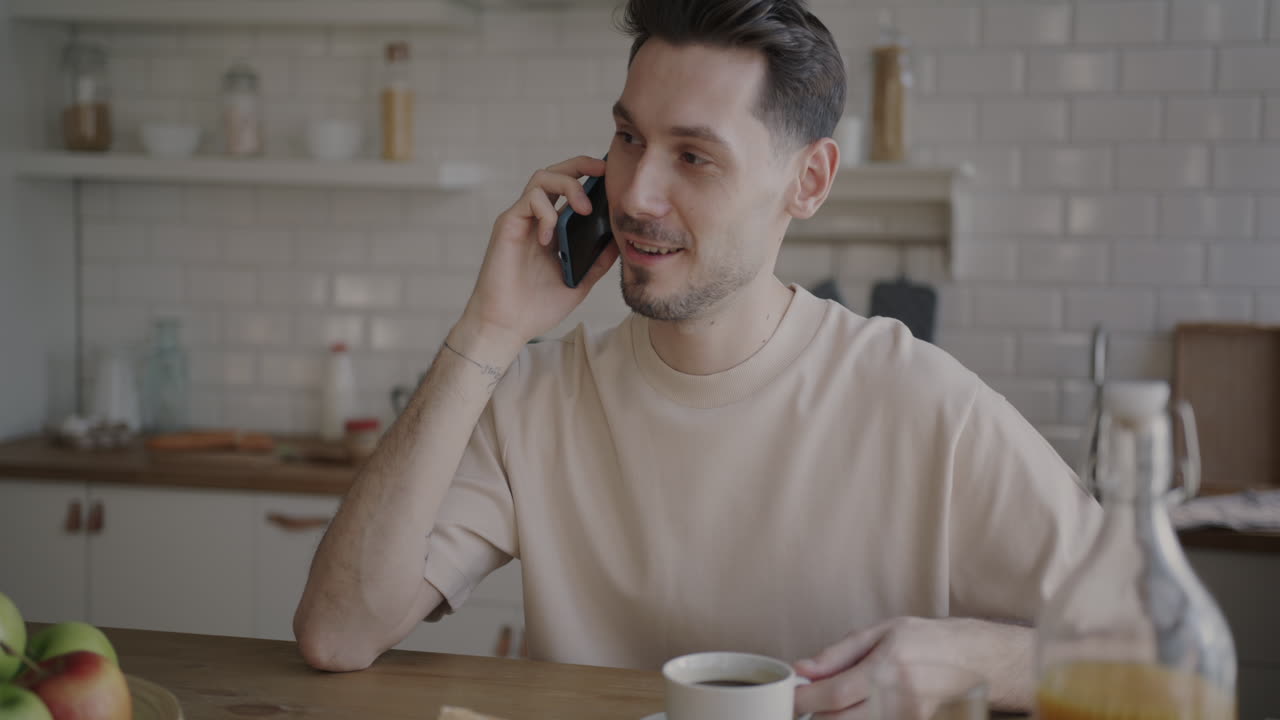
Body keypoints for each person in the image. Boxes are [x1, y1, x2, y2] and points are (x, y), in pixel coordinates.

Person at [293, 0, 1101, 715]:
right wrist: (487, 330)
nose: (635, 192)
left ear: (809, 180)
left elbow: (1161, 653)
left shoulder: (929, 407)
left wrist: (985, 661)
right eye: (627, 137)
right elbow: (338, 632)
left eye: (693, 156)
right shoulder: (536, 398)